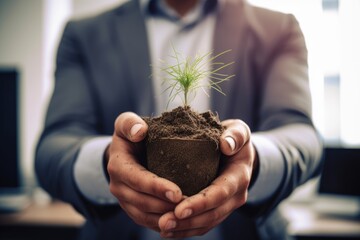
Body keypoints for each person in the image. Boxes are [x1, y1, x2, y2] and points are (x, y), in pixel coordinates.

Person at [35, 0, 323, 239]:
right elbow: (53, 149)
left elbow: (302, 136)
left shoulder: (277, 29)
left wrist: (253, 161)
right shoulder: (84, 34)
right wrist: (108, 161)